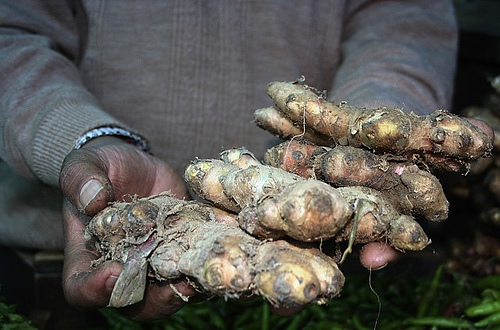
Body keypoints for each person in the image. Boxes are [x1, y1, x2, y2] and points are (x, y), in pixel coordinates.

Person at [0, 0, 480, 321]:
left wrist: (368, 132)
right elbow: (12, 29)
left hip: (325, 261)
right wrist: (80, 135)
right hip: (47, 268)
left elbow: (402, 22)